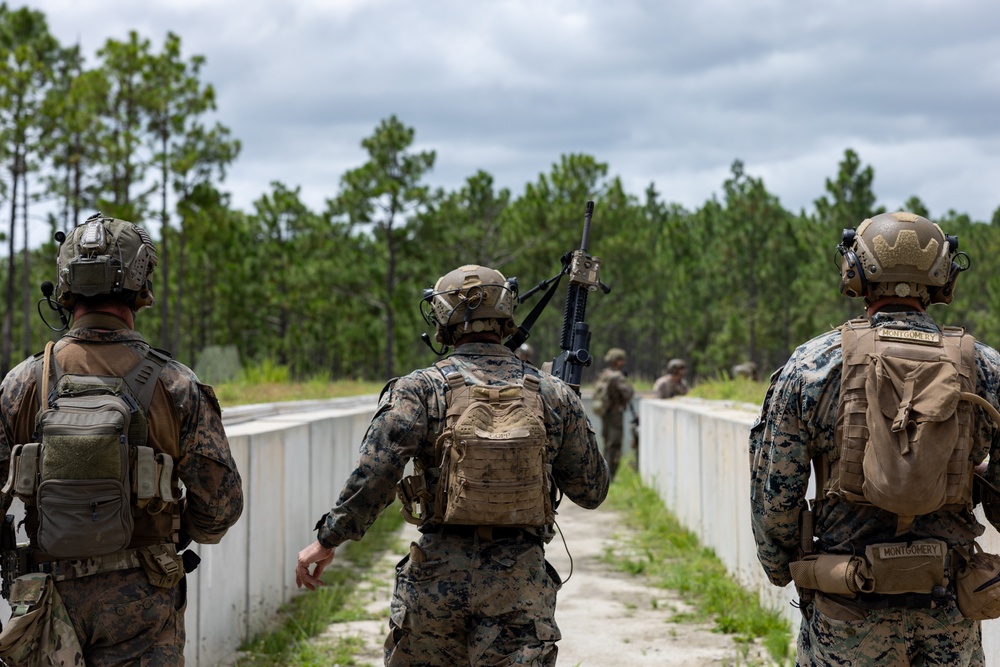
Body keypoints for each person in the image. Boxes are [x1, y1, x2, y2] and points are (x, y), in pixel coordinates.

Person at [295, 264, 609, 666]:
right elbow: (592, 491)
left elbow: (375, 474)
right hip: (520, 582)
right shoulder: (552, 393)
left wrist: (328, 539)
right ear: (506, 315)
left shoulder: (419, 388)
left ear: (442, 317)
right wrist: (569, 411)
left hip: (435, 578)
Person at [749, 211, 1000, 665]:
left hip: (846, 606)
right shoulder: (986, 369)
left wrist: (781, 567)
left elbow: (775, 494)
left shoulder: (813, 365)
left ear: (856, 272)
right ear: (943, 275)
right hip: (949, 608)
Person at [0, 213, 244, 665]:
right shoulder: (176, 385)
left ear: (66, 282)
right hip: (143, 601)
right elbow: (219, 510)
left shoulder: (22, 384)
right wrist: (168, 532)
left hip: (43, 598)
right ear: (140, 282)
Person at [593, 347, 635, 479]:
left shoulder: (604, 374)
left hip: (605, 412)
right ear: (617, 361)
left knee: (607, 442)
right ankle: (611, 474)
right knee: (615, 444)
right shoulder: (617, 377)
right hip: (615, 413)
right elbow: (628, 393)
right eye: (621, 360)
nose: (623, 362)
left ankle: (604, 471)